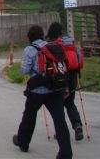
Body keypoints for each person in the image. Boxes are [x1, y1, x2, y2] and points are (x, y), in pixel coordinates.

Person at [13, 25, 73, 159]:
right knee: (60, 121)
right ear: (42, 35)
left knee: (29, 116)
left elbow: (24, 70)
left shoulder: (30, 49)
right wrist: (66, 88)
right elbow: (63, 68)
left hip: (37, 92)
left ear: (30, 37)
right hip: (56, 89)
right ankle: (66, 153)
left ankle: (23, 142)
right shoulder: (54, 46)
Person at [47, 22, 84, 141]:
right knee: (70, 102)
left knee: (58, 104)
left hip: (60, 76)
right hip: (73, 75)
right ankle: (77, 125)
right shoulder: (70, 43)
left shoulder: (53, 44)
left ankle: (60, 131)